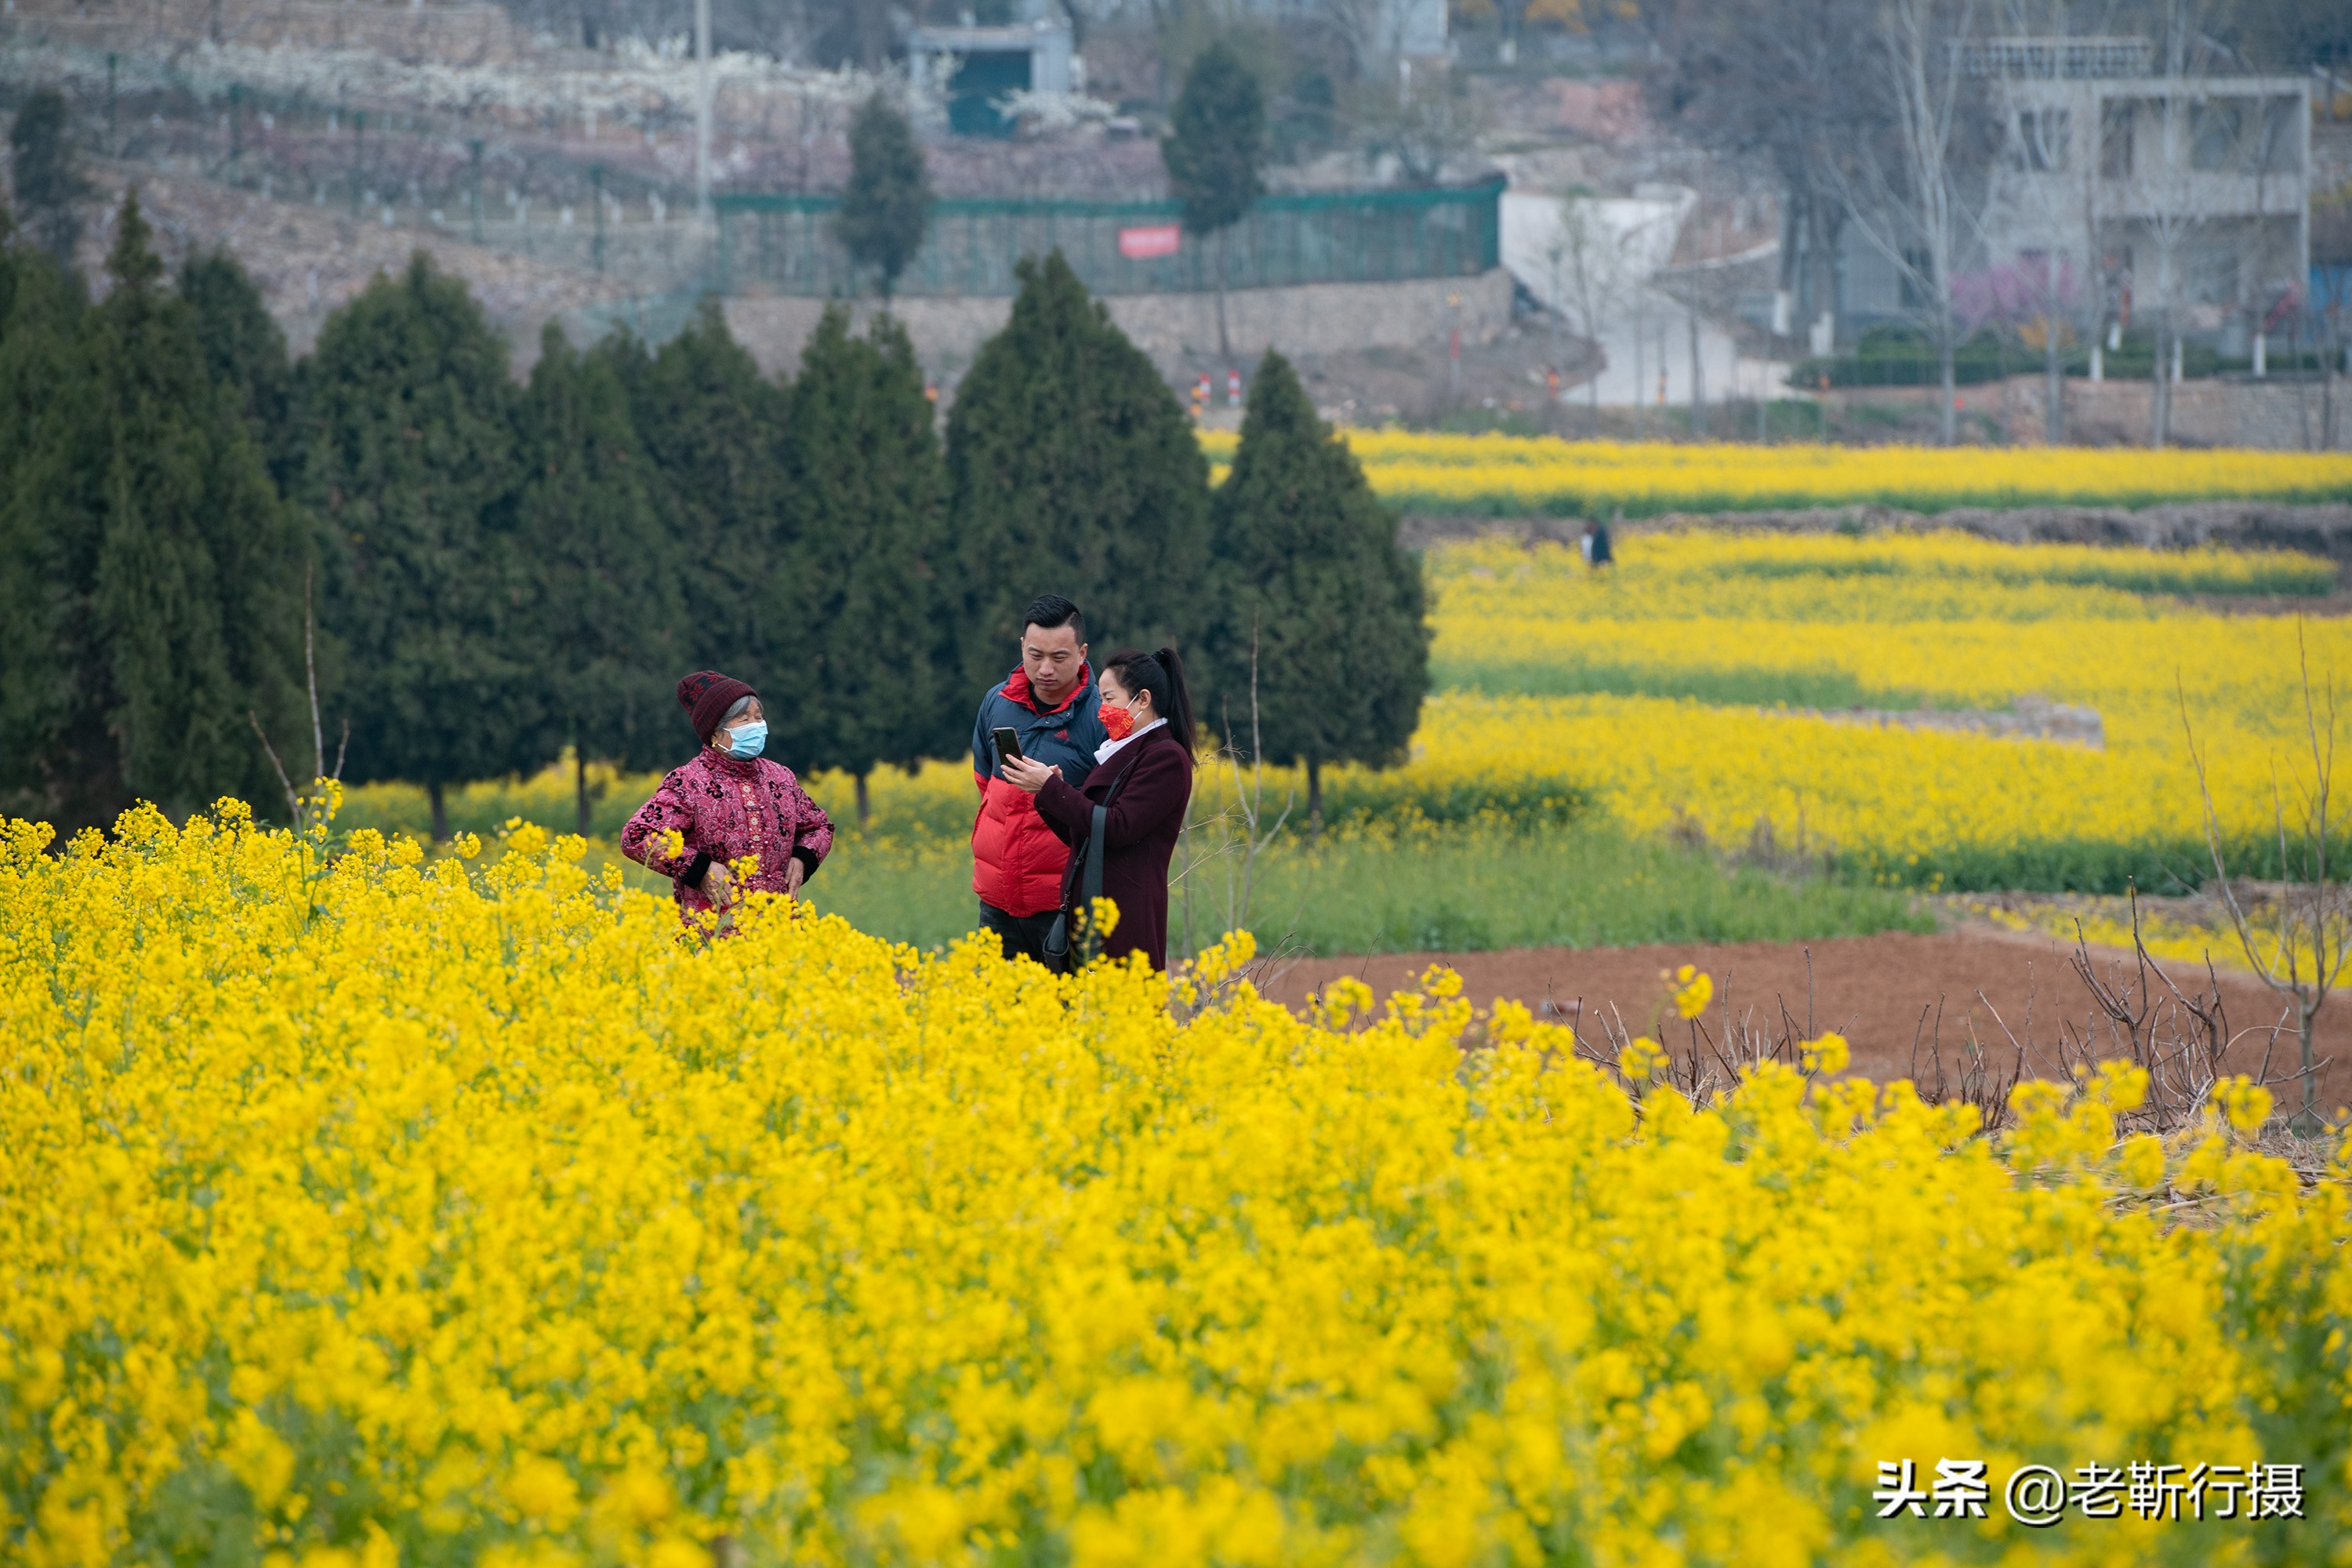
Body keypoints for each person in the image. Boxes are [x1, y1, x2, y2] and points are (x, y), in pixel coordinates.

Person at [1000, 645, 1196, 972]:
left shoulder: (1165, 757)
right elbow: (1086, 839)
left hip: (1125, 917)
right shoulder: (1123, 751)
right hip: (1092, 911)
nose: (1101, 710)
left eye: (1109, 698)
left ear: (1143, 700)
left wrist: (1053, 790)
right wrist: (1049, 793)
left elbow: (1119, 828)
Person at [622, 670, 833, 927]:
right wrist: (699, 869)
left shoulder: (781, 778)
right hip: (713, 934)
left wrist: (803, 859)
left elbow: (819, 826)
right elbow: (637, 835)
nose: (756, 726)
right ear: (714, 734)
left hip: (779, 933)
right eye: (744, 720)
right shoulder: (689, 782)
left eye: (759, 718)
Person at [970, 595, 1109, 964]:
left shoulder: (1102, 719)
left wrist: (1056, 792)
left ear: (1082, 653)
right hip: (997, 900)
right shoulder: (995, 702)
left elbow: (1107, 814)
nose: (1045, 669)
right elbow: (985, 783)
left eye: (1059, 658)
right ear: (1021, 647)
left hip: (1063, 905)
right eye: (1035, 655)